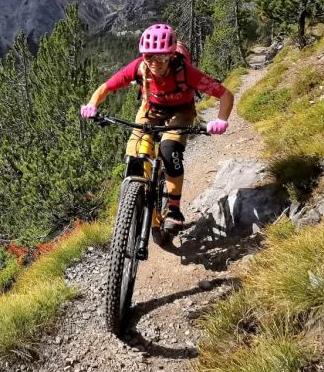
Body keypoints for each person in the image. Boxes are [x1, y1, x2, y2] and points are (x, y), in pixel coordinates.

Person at [80, 23, 234, 233]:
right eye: (149, 56)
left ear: (171, 55)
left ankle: (174, 209)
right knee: (134, 152)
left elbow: (225, 95)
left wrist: (221, 120)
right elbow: (106, 87)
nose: (155, 62)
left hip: (180, 111)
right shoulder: (139, 68)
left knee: (170, 152)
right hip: (151, 108)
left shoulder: (186, 72)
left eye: (161, 57)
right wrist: (92, 105)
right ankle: (133, 198)